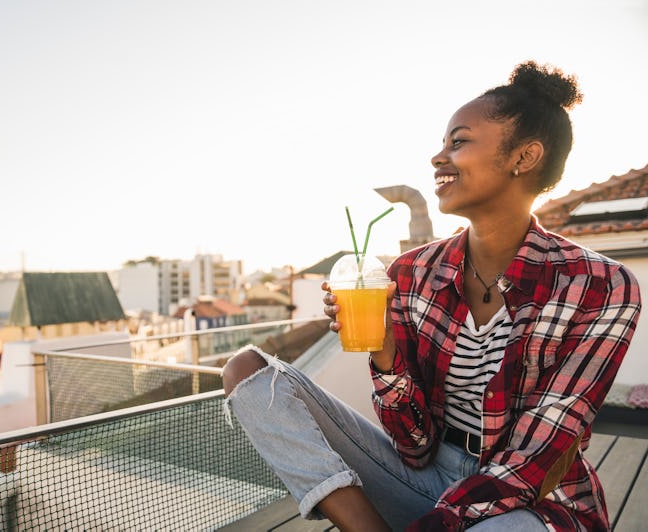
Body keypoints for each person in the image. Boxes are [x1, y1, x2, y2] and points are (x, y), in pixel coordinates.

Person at [221, 61, 641, 531]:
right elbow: (413, 444)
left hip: (531, 498)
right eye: (443, 144)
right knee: (249, 373)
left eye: (458, 142)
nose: (438, 158)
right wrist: (384, 352)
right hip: (424, 475)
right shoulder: (411, 272)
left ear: (524, 157)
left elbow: (537, 456)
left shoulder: (601, 285)